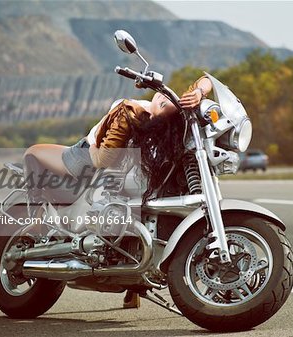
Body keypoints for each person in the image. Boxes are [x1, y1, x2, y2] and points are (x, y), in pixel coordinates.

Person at [23, 75, 213, 308]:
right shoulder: (171, 118)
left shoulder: (130, 110)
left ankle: (36, 221)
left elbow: (103, 158)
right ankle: (132, 290)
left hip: (85, 156)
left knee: (32, 152)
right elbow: (205, 79)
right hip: (116, 170)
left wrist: (93, 146)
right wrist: (200, 93)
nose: (164, 96)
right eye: (166, 97)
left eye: (164, 103)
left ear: (156, 119)